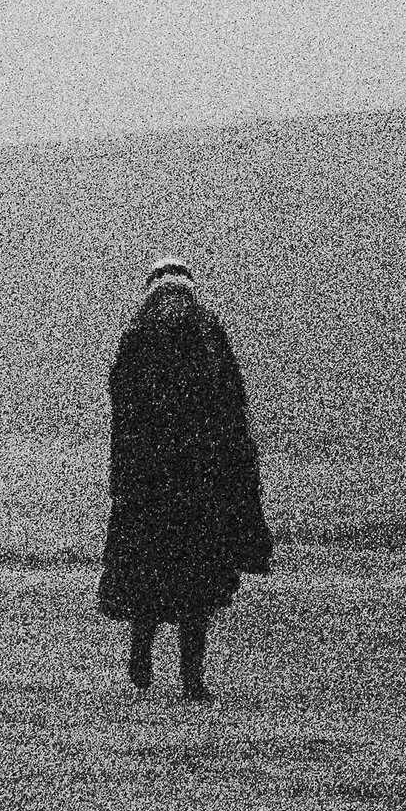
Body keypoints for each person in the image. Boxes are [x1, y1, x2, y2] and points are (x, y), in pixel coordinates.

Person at [97, 259, 273, 701]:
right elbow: (234, 410)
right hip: (201, 479)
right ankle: (192, 678)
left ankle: (141, 657)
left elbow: (124, 412)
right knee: (198, 584)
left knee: (147, 574)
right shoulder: (210, 332)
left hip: (150, 481)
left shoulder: (138, 333)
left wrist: (125, 476)